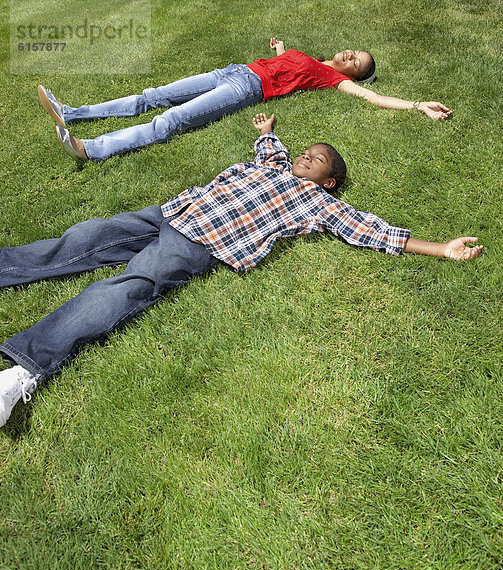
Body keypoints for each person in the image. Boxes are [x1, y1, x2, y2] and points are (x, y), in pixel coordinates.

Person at [0, 113, 481, 427]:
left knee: (123, 289)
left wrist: (440, 249)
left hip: (200, 242)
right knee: (85, 236)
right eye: (305, 152)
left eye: (317, 160)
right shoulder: (274, 168)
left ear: (329, 182)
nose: (305, 158)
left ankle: (22, 372)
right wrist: (267, 131)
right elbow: (271, 151)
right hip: (172, 210)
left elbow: (371, 230)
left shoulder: (316, 202)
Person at [38, 38, 452, 162]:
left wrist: (416, 105)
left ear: (353, 75)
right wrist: (281, 50)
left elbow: (374, 97)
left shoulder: (330, 79)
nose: (350, 57)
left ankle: (90, 148)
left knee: (173, 120)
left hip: (244, 90)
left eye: (356, 64)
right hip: (233, 72)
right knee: (153, 95)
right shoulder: (313, 58)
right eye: (354, 52)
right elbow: (288, 66)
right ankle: (72, 112)